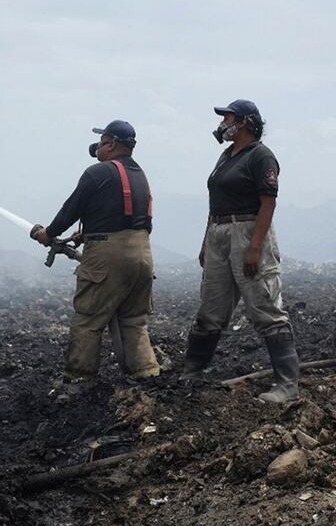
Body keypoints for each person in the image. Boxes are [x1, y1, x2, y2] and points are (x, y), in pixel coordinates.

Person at [181, 99, 301, 403]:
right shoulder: (225, 156)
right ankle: (192, 371)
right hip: (219, 232)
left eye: (228, 117)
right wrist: (206, 241)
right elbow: (215, 203)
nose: (224, 123)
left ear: (245, 121)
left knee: (263, 305)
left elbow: (268, 203)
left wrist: (254, 247)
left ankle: (287, 384)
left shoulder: (261, 156)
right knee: (212, 306)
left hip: (248, 230)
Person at [31, 120, 161, 381]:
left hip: (107, 256)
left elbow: (70, 210)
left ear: (111, 144)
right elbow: (136, 219)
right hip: (142, 254)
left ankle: (78, 379)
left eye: (102, 141)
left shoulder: (97, 173)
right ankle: (146, 375)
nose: (98, 147)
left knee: (88, 319)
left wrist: (47, 234)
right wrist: (87, 231)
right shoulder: (139, 175)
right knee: (134, 319)